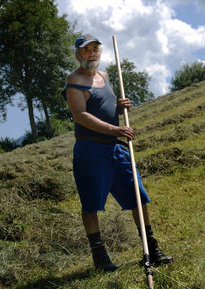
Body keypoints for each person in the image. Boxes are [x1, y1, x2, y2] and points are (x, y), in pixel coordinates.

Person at [62, 34, 173, 272]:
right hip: (90, 149)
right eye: (86, 50)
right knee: (91, 204)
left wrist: (118, 107)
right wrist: (115, 128)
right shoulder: (74, 80)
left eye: (95, 49)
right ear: (78, 54)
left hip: (115, 148)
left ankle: (151, 248)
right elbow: (81, 115)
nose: (92, 53)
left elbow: (103, 106)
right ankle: (100, 257)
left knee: (138, 196)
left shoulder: (105, 77)